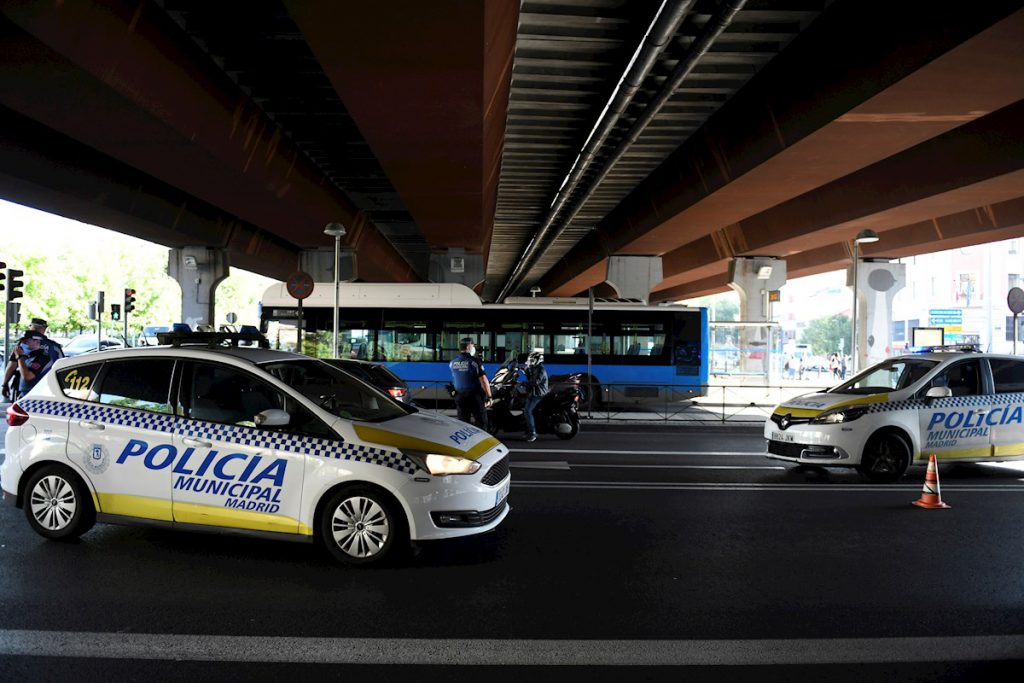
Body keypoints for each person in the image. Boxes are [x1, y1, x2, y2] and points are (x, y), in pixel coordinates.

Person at [449, 337, 491, 429]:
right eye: (472, 345)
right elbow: (483, 379)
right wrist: (489, 396)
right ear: (468, 346)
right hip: (474, 396)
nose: (473, 348)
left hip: (459, 396)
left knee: (463, 423)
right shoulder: (474, 361)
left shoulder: (453, 362)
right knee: (481, 422)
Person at [10, 332, 51, 397]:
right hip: (24, 393)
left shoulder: (42, 358)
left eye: (26, 342)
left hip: (35, 395)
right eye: (22, 342)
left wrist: (20, 357)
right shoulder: (28, 356)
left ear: (37, 342)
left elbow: (28, 376)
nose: (22, 344)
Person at [522, 349, 549, 442]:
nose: (531, 362)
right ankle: (528, 430)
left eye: (532, 360)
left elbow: (535, 382)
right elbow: (531, 379)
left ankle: (533, 433)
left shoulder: (541, 370)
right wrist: (526, 372)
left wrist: (524, 383)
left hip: (538, 394)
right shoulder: (535, 368)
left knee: (527, 411)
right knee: (524, 409)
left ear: (538, 360)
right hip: (533, 392)